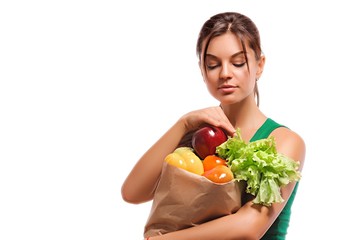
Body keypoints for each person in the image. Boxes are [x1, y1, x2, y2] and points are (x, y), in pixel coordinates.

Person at [121, 11, 306, 240]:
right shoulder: (198, 134)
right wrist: (183, 123)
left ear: (260, 65)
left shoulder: (285, 141)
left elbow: (250, 226)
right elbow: (132, 192)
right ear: (202, 70)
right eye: (212, 65)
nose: (225, 74)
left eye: (238, 62)